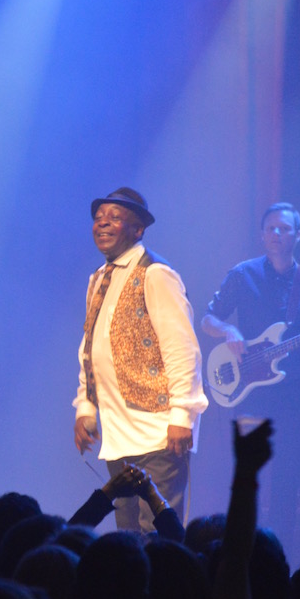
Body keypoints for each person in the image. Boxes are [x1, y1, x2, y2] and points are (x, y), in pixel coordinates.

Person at [201, 202, 300, 558]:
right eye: (271, 228)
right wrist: (229, 329)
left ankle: (278, 562)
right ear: (262, 234)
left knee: (287, 484)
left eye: (284, 229)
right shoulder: (242, 274)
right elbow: (208, 319)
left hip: (294, 398)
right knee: (246, 479)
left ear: (297, 236)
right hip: (248, 395)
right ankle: (238, 559)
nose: (277, 234)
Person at [73, 186, 208, 533]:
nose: (102, 224)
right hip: (119, 435)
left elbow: (183, 348)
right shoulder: (98, 279)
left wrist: (182, 414)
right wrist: (86, 408)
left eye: (114, 218)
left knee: (158, 536)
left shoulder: (156, 274)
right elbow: (91, 346)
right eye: (98, 218)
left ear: (138, 229)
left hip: (157, 433)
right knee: (126, 538)